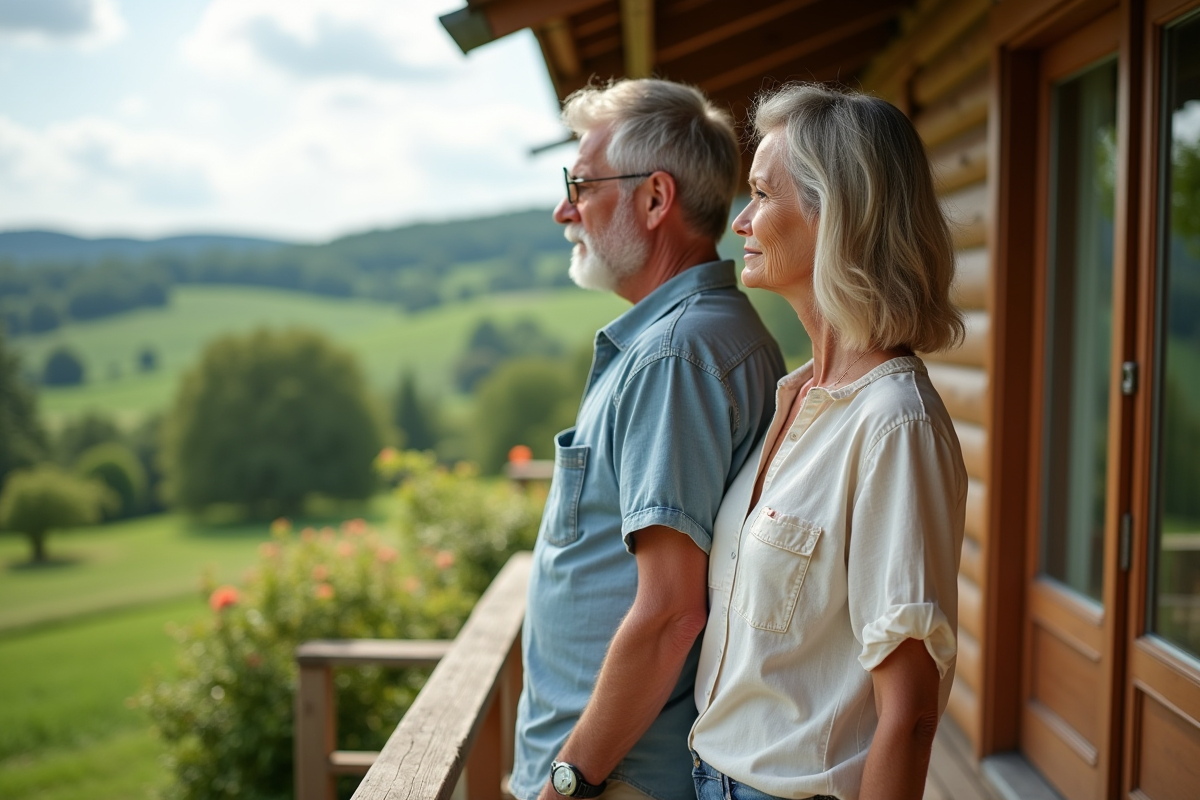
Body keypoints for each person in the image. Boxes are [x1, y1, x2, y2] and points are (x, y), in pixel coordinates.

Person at [688, 84, 968, 800]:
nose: (742, 221)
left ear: (834, 214)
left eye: (760, 194)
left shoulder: (893, 424)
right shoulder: (796, 396)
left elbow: (907, 716)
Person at [510, 79, 786, 800]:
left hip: (615, 779)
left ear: (655, 199)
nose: (563, 209)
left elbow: (670, 613)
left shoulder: (675, 358)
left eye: (581, 183)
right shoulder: (700, 338)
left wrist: (569, 779)